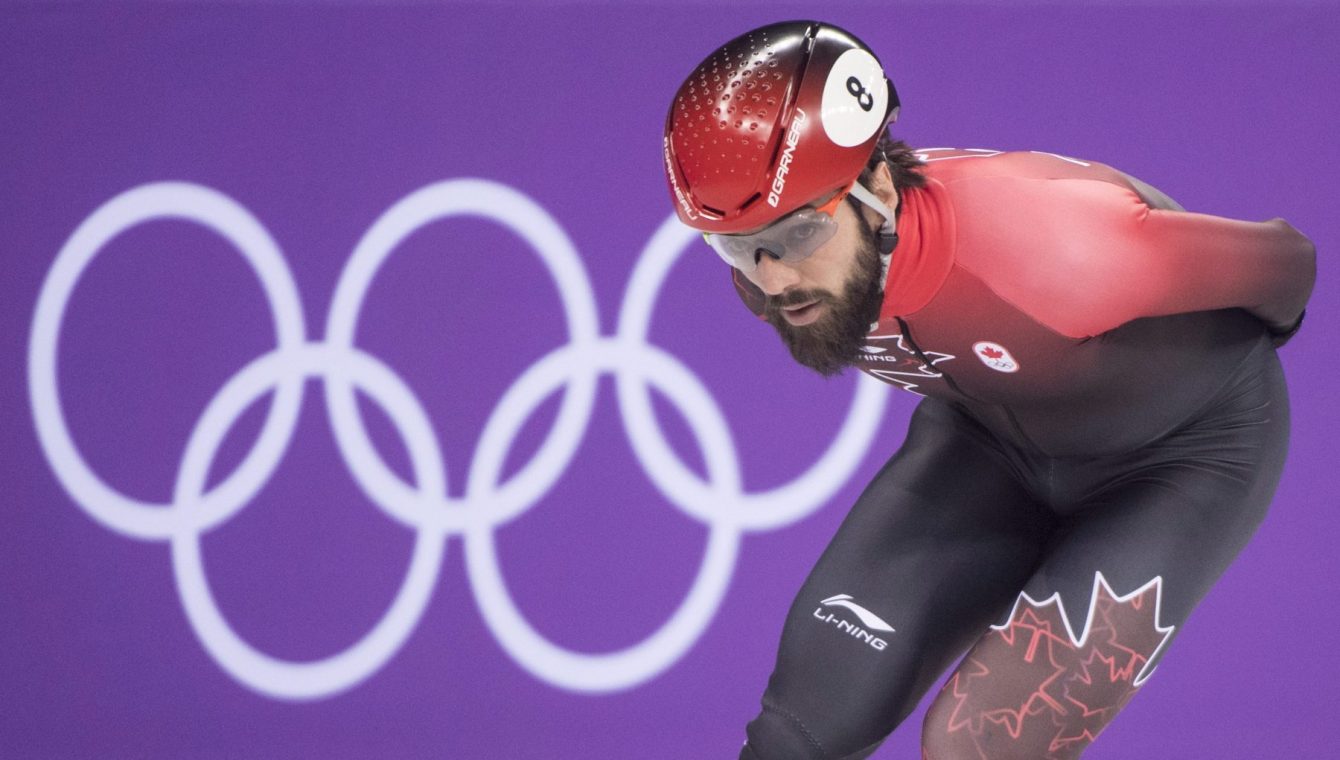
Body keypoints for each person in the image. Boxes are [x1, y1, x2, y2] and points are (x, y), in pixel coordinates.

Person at [661, 20, 1315, 760]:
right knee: (801, 731)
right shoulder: (773, 275)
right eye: (741, 246)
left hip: (1181, 458)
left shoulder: (1054, 249)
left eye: (801, 233)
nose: (775, 279)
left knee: (979, 745)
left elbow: (1289, 264)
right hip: (987, 444)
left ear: (877, 184)